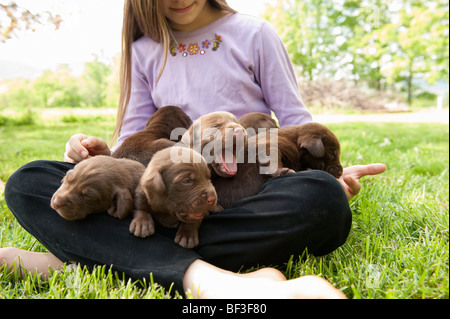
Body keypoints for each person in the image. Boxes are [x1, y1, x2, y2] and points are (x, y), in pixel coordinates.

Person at [1, 0, 386, 299]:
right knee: (28, 181)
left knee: (320, 197)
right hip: (169, 197)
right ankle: (210, 278)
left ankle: (86, 258)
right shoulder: (145, 49)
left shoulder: (255, 34)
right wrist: (103, 156)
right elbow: (135, 138)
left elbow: (296, 122)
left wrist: (330, 174)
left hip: (246, 189)